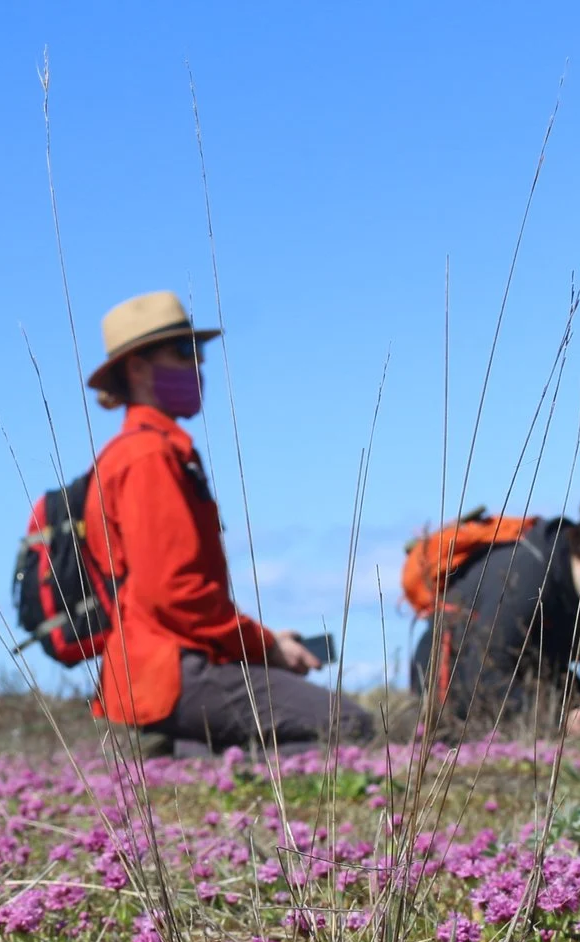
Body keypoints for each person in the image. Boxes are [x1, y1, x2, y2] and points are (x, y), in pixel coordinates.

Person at [84, 291, 372, 754]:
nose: (198, 365)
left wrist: (267, 642)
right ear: (136, 368)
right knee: (351, 726)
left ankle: (189, 760)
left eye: (199, 351)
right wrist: (266, 647)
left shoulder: (146, 452)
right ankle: (200, 767)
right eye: (184, 351)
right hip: (174, 670)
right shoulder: (149, 457)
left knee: (287, 730)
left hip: (168, 668)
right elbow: (175, 593)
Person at [408, 494, 580, 734]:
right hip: (452, 674)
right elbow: (486, 670)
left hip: (529, 676)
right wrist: (557, 718)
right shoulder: (525, 576)